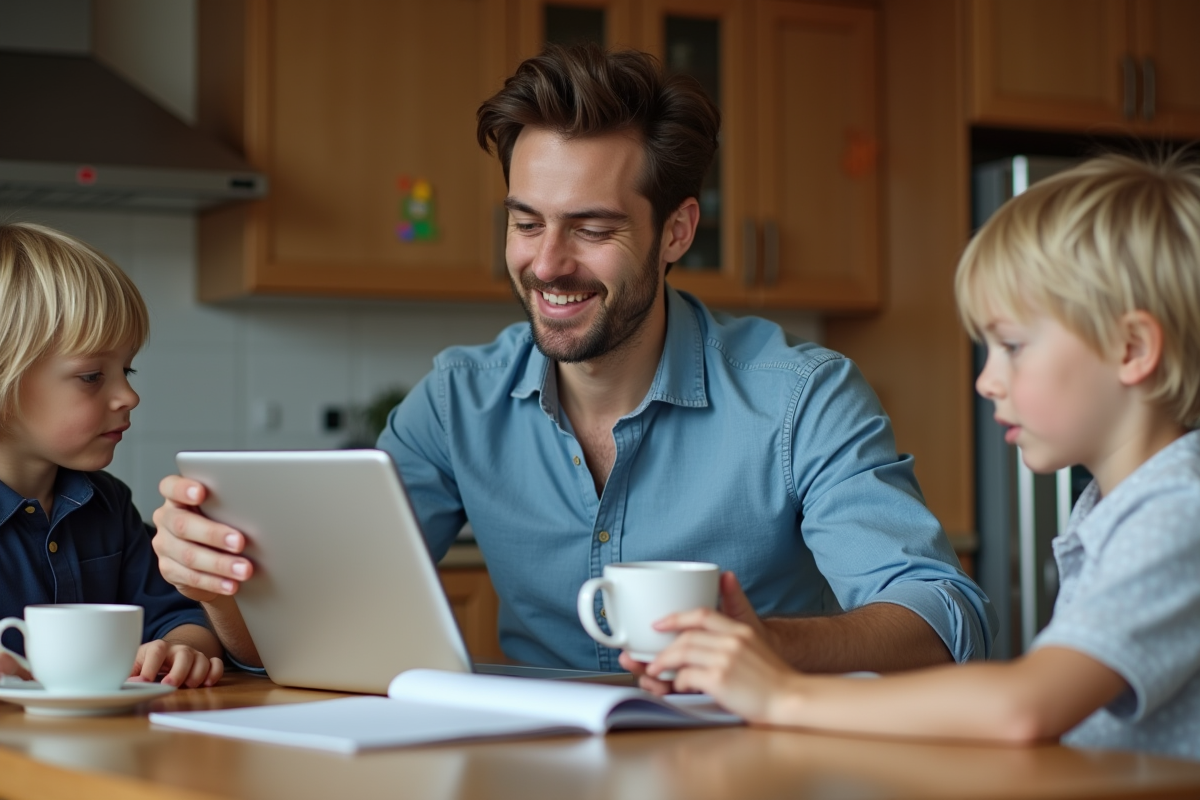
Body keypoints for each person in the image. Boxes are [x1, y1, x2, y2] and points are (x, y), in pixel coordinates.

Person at [150, 44, 993, 676]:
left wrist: (754, 645)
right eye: (526, 223)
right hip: (534, 766)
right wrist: (227, 585)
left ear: (676, 232)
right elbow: (322, 626)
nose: (548, 264)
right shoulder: (457, 402)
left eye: (591, 229)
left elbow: (944, 615)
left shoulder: (801, 397)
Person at [642, 154, 1200, 761]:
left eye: (1013, 346)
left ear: (1131, 348)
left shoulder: (1176, 513)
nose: (986, 381)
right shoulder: (1118, 505)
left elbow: (1024, 707)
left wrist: (781, 696)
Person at [0, 222, 224, 688]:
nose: (129, 396)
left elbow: (181, 617)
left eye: (127, 369)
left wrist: (182, 649)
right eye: (91, 376)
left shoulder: (109, 505)